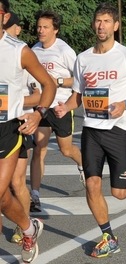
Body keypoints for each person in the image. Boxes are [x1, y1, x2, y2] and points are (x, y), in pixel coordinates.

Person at [53, 2, 126, 258]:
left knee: (119, 194)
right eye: (98, 20)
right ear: (94, 24)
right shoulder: (83, 58)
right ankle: (108, 236)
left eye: (107, 21)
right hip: (91, 131)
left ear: (116, 25)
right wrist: (65, 108)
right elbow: (78, 96)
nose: (102, 25)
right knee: (92, 185)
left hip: (118, 130)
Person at [0, 0, 57, 262]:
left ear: (5, 17)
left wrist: (38, 114)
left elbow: (48, 85)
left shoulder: (19, 50)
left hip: (7, 128)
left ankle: (27, 228)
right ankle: (29, 228)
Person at [29, 10, 84, 213]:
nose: (40, 31)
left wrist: (58, 81)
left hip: (61, 106)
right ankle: (35, 196)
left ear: (55, 30)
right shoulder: (34, 50)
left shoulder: (65, 51)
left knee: (66, 150)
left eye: (45, 27)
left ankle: (82, 165)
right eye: (39, 27)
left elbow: (80, 79)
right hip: (42, 107)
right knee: (39, 150)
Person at [4, 11, 42, 245]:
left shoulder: (21, 52)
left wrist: (15, 102)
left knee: (17, 182)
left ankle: (26, 225)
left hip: (17, 126)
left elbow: (38, 95)